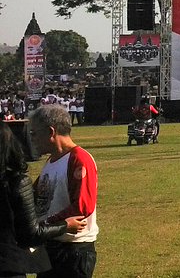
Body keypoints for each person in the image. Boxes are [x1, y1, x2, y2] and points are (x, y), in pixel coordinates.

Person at [0, 121, 86, 277]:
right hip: (8, 263)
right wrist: (65, 225)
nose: (32, 139)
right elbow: (31, 233)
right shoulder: (15, 182)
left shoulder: (75, 159)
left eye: (34, 134)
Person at [28, 104, 99, 276]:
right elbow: (34, 195)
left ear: (51, 132)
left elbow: (83, 207)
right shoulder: (51, 161)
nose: (32, 139)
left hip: (72, 252)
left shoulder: (79, 159)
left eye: (34, 133)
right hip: (50, 246)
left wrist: (46, 225)